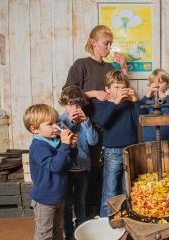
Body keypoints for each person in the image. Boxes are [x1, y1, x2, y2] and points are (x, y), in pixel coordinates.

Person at [63, 24, 128, 217]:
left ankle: (101, 212)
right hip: (85, 127)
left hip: (108, 125)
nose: (108, 47)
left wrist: (123, 67)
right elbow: (67, 92)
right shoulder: (81, 64)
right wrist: (93, 93)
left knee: (103, 171)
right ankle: (86, 213)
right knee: (87, 169)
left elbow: (121, 87)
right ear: (93, 42)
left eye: (110, 44)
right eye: (105, 43)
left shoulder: (109, 67)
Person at [89, 70, 140, 217]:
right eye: (116, 87)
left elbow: (139, 120)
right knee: (110, 190)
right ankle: (105, 221)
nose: (119, 90)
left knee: (128, 189)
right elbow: (102, 121)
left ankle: (126, 219)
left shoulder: (130, 104)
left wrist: (135, 100)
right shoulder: (104, 105)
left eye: (122, 87)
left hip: (130, 151)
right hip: (112, 153)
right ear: (107, 89)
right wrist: (116, 103)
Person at [23, 104, 78, 240]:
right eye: (49, 124)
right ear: (34, 129)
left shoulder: (56, 142)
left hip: (58, 196)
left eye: (56, 122)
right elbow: (56, 166)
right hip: (45, 199)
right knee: (45, 234)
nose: (56, 127)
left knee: (58, 230)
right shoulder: (38, 147)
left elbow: (67, 164)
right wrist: (65, 145)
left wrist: (72, 147)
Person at [58, 86, 99, 240]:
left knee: (81, 202)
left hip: (83, 169)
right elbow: (60, 142)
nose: (75, 108)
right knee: (67, 205)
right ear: (64, 104)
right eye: (71, 104)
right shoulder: (60, 120)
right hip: (66, 170)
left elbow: (93, 141)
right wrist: (71, 121)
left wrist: (86, 122)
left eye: (78, 105)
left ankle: (82, 234)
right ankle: (69, 235)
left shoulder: (85, 121)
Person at [140, 69, 169, 141]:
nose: (157, 85)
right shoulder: (147, 100)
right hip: (148, 139)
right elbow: (139, 112)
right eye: (153, 82)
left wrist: (163, 96)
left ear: (167, 85)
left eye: (160, 82)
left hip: (167, 139)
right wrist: (148, 94)